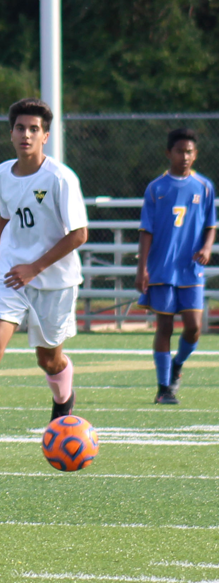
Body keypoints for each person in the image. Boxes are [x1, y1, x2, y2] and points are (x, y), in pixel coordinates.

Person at [0, 98, 89, 459]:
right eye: (20, 128)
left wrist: (36, 267)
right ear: (10, 133)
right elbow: (6, 219)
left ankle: (63, 402)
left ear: (46, 136)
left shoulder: (60, 178)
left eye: (34, 129)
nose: (26, 134)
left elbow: (79, 235)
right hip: (12, 277)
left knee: (49, 360)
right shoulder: (1, 174)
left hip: (54, 282)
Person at [135, 128, 216, 405]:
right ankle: (163, 388)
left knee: (194, 327)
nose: (185, 156)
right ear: (169, 153)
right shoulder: (156, 188)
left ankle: (177, 365)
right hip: (161, 269)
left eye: (190, 152)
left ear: (196, 155)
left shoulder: (204, 186)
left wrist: (206, 247)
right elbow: (146, 231)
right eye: (180, 151)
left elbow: (210, 225)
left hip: (190, 269)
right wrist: (141, 268)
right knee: (165, 326)